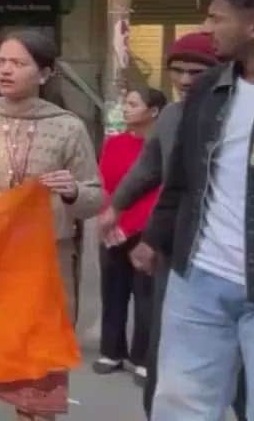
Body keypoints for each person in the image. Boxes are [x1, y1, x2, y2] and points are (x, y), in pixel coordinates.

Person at [0, 30, 102, 421]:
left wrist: (74, 192)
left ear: (44, 74)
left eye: (18, 63)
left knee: (36, 361)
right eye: (0, 63)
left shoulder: (68, 127)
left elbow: (94, 198)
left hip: (45, 265)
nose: (6, 70)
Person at [96, 31, 245, 419]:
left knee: (245, 374)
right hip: (180, 255)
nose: (184, 80)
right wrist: (117, 208)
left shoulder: (244, 108)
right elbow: (153, 172)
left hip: (242, 261)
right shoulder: (176, 117)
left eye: (196, 71)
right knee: (170, 360)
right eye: (177, 71)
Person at [147, 0, 254, 421]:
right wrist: (156, 240)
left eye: (218, 19)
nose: (206, 31)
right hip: (199, 277)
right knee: (181, 407)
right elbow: (182, 177)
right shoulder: (208, 92)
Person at [94, 87, 166, 378]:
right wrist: (106, 218)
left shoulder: (162, 146)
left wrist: (131, 226)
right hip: (112, 227)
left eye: (133, 104)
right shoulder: (113, 143)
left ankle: (143, 357)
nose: (125, 108)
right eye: (126, 102)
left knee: (146, 295)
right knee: (112, 291)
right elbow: (105, 184)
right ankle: (111, 351)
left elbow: (159, 192)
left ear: (154, 111)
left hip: (145, 230)